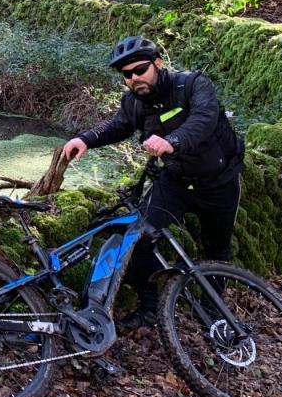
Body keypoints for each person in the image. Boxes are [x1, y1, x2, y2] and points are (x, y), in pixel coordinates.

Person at [61, 36, 245, 330]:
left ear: (158, 64)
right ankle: (150, 307)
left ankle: (214, 312)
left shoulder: (193, 84)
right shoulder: (133, 102)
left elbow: (204, 118)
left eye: (140, 69)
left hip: (219, 182)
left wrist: (172, 140)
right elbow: (119, 126)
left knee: (216, 251)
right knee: (139, 238)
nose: (134, 78)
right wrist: (85, 139)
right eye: (127, 74)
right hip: (175, 182)